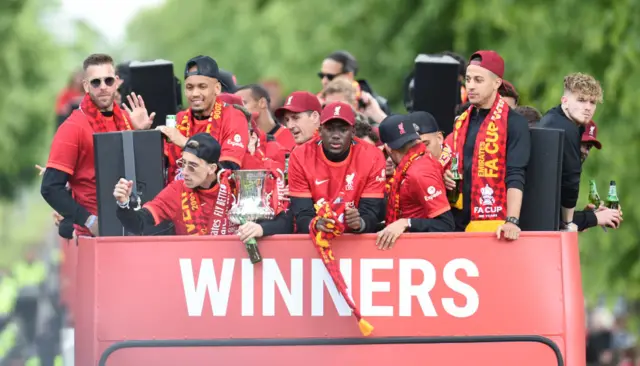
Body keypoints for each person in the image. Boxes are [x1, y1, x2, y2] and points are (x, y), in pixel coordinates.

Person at [41, 53, 154, 237]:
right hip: (95, 235)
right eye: (96, 82)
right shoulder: (72, 128)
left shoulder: (128, 120)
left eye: (108, 81)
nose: (103, 87)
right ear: (85, 86)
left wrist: (141, 133)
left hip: (133, 226)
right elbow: (50, 188)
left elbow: (145, 173)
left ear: (117, 82)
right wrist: (89, 220)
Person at [114, 133, 291, 241]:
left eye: (193, 166)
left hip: (239, 268)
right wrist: (123, 204)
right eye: (183, 163)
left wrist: (261, 229)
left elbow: (286, 223)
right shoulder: (177, 189)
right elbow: (139, 224)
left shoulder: (237, 184)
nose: (185, 172)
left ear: (211, 168)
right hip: (195, 274)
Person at [444, 50, 530, 239]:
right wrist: (446, 174)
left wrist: (512, 220)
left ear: (496, 83)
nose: (471, 86)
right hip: (456, 221)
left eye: (478, 80)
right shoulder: (463, 120)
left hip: (494, 223)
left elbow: (516, 174)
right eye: (468, 79)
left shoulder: (514, 122)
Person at [288, 101, 386, 234]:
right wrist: (315, 224)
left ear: (353, 132)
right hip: (315, 240)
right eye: (330, 129)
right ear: (320, 131)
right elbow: (302, 214)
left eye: (343, 130)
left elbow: (371, 212)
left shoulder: (373, 156)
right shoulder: (300, 156)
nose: (335, 135)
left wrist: (360, 223)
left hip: (356, 241)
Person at [157, 56, 250, 182]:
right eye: (189, 87)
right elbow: (157, 166)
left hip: (220, 198)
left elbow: (227, 170)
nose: (195, 93)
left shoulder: (234, 117)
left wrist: (187, 144)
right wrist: (144, 131)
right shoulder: (179, 119)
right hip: (179, 195)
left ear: (217, 88)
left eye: (202, 87)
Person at [376, 115, 455, 249]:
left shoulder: (419, 173)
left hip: (422, 250)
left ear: (388, 149)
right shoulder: (415, 162)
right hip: (412, 249)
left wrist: (406, 223)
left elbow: (446, 225)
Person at [539, 72, 603, 231]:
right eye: (581, 100)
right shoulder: (566, 128)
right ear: (565, 101)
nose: (588, 107)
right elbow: (571, 179)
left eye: (592, 102)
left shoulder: (552, 116)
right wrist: (568, 223)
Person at [573, 120, 622, 231]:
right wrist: (593, 218)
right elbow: (553, 221)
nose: (585, 152)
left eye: (589, 147)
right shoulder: (554, 170)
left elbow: (564, 222)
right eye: (582, 144)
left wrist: (590, 216)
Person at [235, 84, 296, 152]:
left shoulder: (293, 137)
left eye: (243, 103)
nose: (238, 109)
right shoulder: (239, 141)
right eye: (235, 106)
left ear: (262, 103)